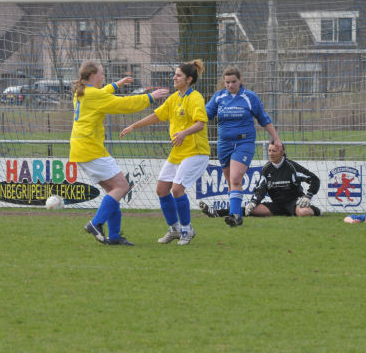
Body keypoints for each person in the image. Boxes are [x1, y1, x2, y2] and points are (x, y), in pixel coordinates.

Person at [71, 61, 169, 246]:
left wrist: (116, 85)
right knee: (122, 187)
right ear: (92, 76)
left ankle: (114, 237)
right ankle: (96, 223)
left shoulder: (82, 92)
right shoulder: (92, 95)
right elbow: (124, 104)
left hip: (82, 149)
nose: (103, 76)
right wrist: (150, 97)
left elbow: (101, 94)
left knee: (112, 190)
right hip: (91, 150)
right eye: (101, 73)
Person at [120, 59, 211, 245]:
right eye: (175, 74)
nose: (174, 78)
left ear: (189, 79)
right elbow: (157, 115)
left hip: (196, 151)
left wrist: (184, 133)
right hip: (178, 152)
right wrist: (134, 126)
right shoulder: (174, 98)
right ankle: (175, 229)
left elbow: (200, 123)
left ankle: (187, 230)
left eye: (178, 75)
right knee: (162, 190)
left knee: (177, 189)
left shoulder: (196, 98)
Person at [205, 66, 283, 227]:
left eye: (233, 81)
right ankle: (236, 216)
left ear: (240, 80)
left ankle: (235, 216)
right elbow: (204, 115)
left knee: (235, 178)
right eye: (227, 82)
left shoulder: (249, 97)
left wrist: (276, 138)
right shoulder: (219, 97)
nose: (230, 85)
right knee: (230, 181)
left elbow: (264, 118)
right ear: (223, 82)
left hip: (244, 143)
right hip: (224, 144)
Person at [199, 140, 322, 218]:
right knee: (251, 210)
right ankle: (216, 213)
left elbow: (314, 179)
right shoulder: (266, 169)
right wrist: (253, 201)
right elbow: (261, 189)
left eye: (275, 150)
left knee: (304, 213)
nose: (271, 153)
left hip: (293, 202)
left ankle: (316, 210)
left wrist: (308, 196)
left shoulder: (291, 167)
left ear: (282, 152)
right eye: (269, 150)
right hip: (276, 205)